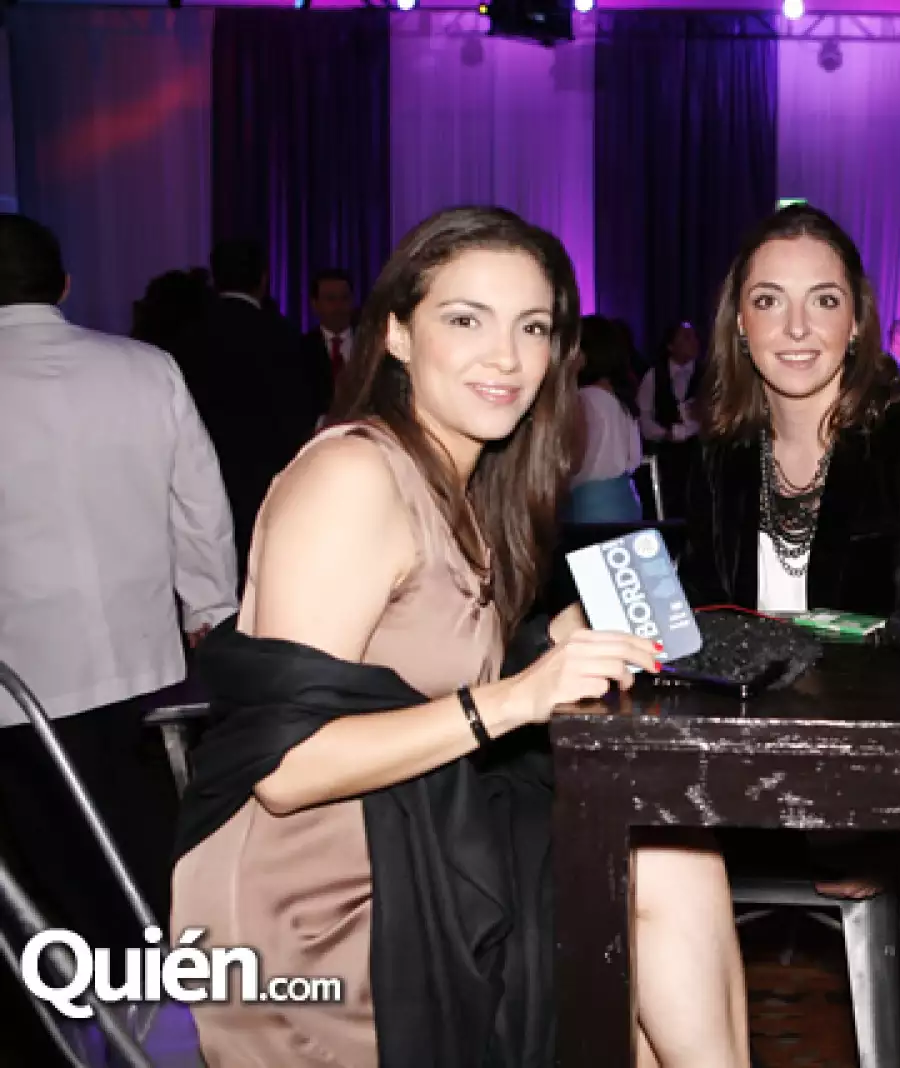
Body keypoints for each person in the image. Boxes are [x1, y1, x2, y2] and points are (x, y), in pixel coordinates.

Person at [170, 208, 748, 1068]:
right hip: (322, 912)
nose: (507, 358)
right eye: (466, 319)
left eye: (534, 328)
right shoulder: (354, 475)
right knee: (658, 877)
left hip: (420, 843)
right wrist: (515, 698)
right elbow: (285, 772)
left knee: (660, 876)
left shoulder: (462, 484)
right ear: (398, 335)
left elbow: (406, 666)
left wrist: (549, 636)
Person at [0, 214, 236, 1063]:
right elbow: (200, 508)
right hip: (145, 663)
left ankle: (80, 1032)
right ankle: (164, 1024)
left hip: (17, 684)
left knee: (46, 870)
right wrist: (211, 607)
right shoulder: (145, 367)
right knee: (141, 845)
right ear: (64, 286)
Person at [677, 203, 900, 618]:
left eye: (824, 300)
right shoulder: (719, 453)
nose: (796, 327)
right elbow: (701, 613)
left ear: (855, 323)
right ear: (740, 322)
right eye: (768, 300)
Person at [176, 239, 320, 581]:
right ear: (263, 278)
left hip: (200, 477)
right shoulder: (278, 334)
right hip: (265, 480)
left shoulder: (188, 334)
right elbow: (297, 416)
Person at [568, 314, 645, 523]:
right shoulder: (620, 395)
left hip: (591, 504)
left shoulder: (584, 399)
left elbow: (575, 460)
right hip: (627, 497)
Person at [638, 321, 704, 517]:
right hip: (666, 457)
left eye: (694, 337)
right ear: (670, 346)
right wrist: (664, 434)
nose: (693, 342)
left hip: (699, 456)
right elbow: (643, 415)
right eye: (685, 337)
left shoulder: (708, 373)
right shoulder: (654, 375)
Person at [302, 267, 357, 417]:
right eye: (331, 299)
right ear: (315, 304)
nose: (339, 307)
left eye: (344, 298)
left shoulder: (370, 345)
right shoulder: (301, 350)